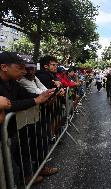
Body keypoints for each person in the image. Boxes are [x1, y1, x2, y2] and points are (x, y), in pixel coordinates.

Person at [0, 51, 57, 184]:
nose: (25, 72)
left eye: (28, 68)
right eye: (20, 68)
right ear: (4, 67)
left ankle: (26, 177)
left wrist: (45, 96)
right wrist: (37, 100)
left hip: (13, 130)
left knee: (18, 158)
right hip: (7, 132)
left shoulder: (13, 83)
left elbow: (26, 96)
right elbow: (9, 104)